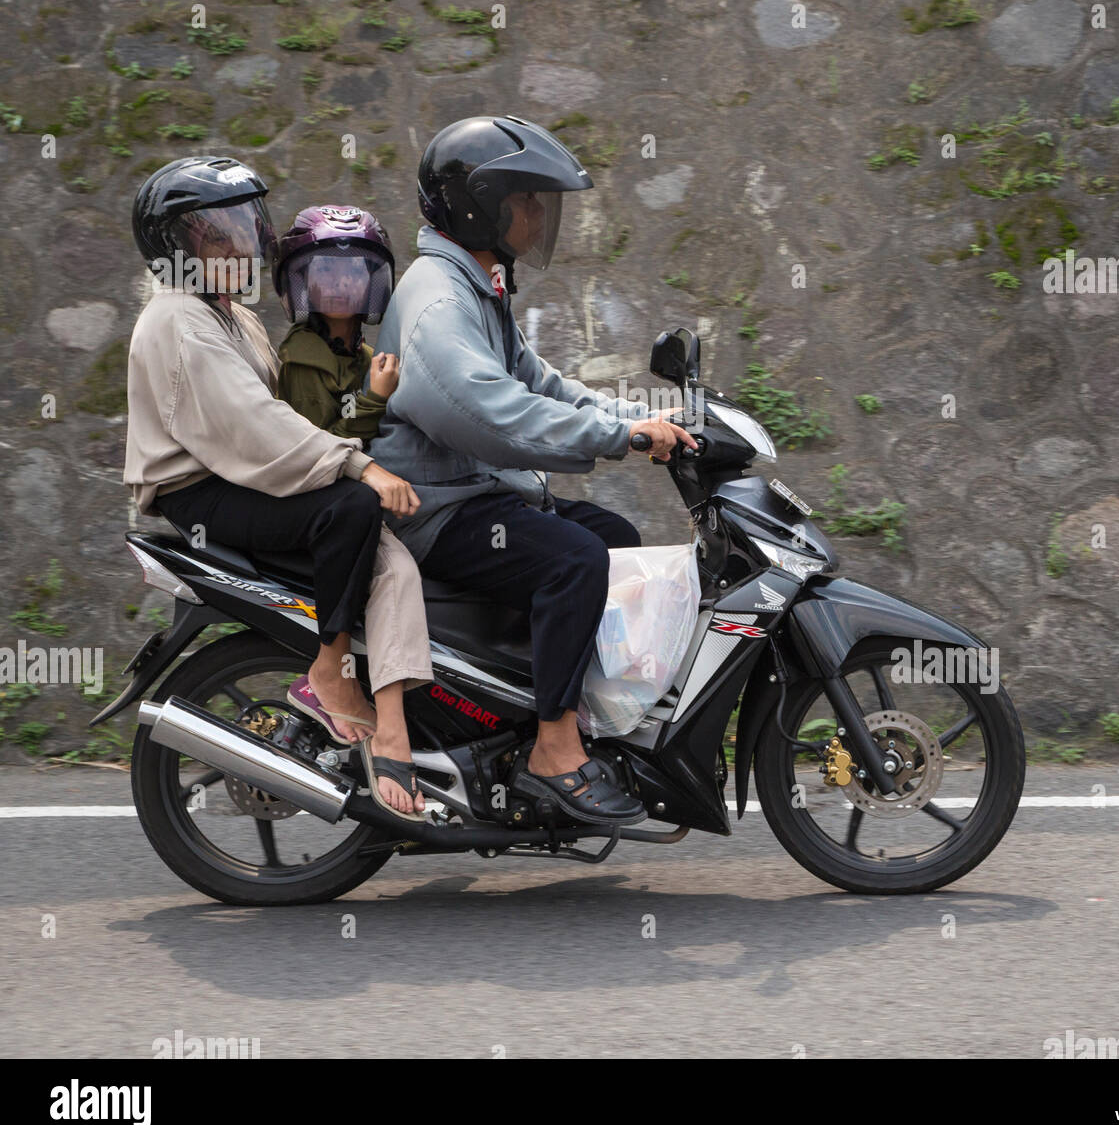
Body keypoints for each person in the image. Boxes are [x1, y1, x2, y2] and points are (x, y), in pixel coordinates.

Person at [365, 115, 697, 825]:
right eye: (529, 199)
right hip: (435, 509)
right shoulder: (439, 301)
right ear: (481, 203)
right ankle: (550, 750)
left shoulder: (476, 284)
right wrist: (619, 438)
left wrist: (638, 419)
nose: (540, 215)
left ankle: (535, 707)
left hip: (474, 494)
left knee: (613, 536)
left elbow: (540, 382)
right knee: (575, 559)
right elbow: (493, 415)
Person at [122, 158, 430, 821]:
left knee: (391, 559)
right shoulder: (178, 321)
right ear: (176, 246)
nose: (242, 242)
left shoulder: (233, 316)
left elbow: (286, 418)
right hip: (203, 492)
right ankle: (331, 673)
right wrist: (357, 466)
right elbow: (256, 426)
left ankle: (399, 726)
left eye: (246, 224)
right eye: (218, 231)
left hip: (238, 477)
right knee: (350, 506)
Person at [271, 203, 431, 818]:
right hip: (327, 499)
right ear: (301, 286)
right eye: (326, 274)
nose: (341, 285)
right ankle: (392, 731)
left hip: (359, 493)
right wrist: (372, 399)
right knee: (399, 575)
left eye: (354, 274)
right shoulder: (304, 358)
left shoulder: (366, 355)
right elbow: (323, 439)